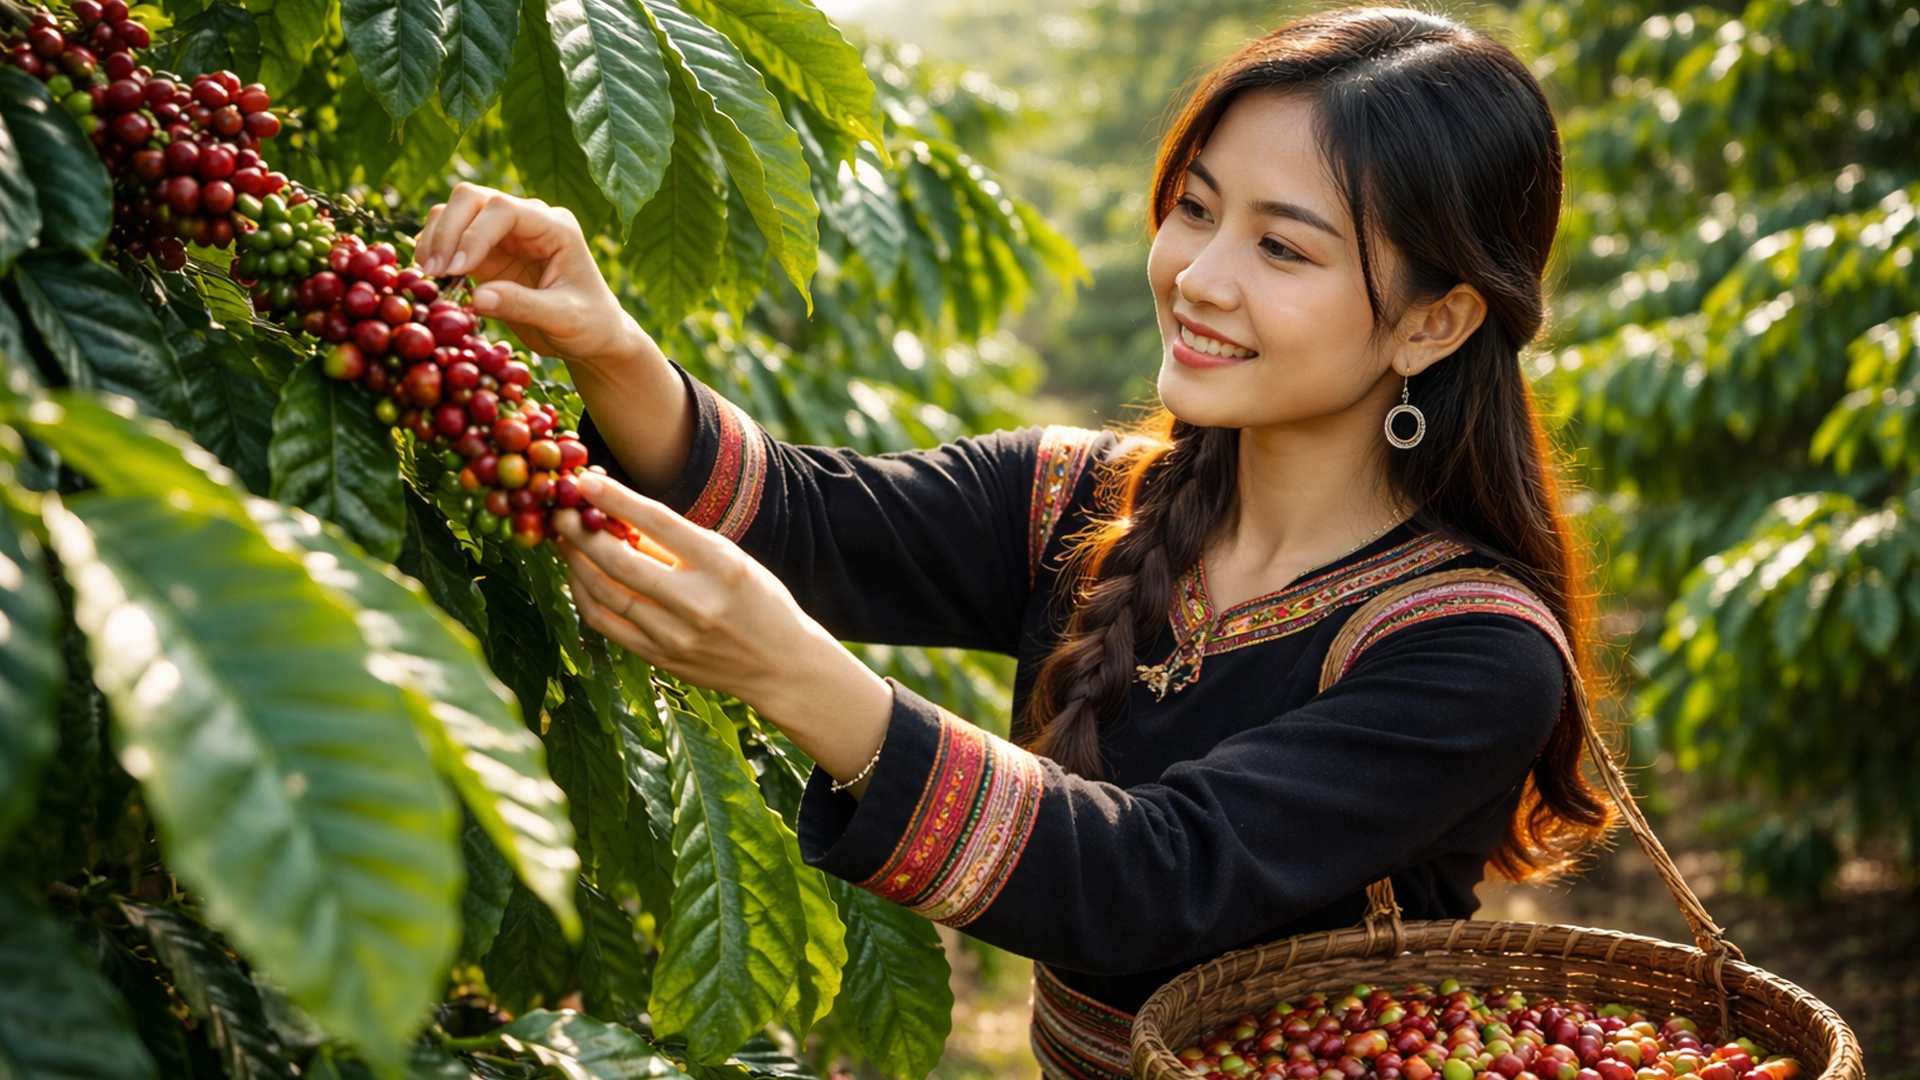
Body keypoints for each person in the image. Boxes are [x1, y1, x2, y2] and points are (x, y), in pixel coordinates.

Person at [410, 7, 1616, 1077]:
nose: (1197, 274)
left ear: (1436, 319)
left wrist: (795, 675)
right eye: (1195, 207)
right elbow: (800, 517)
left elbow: (1153, 879)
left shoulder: (1470, 650)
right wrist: (608, 342)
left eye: (1281, 247)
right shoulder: (1078, 500)